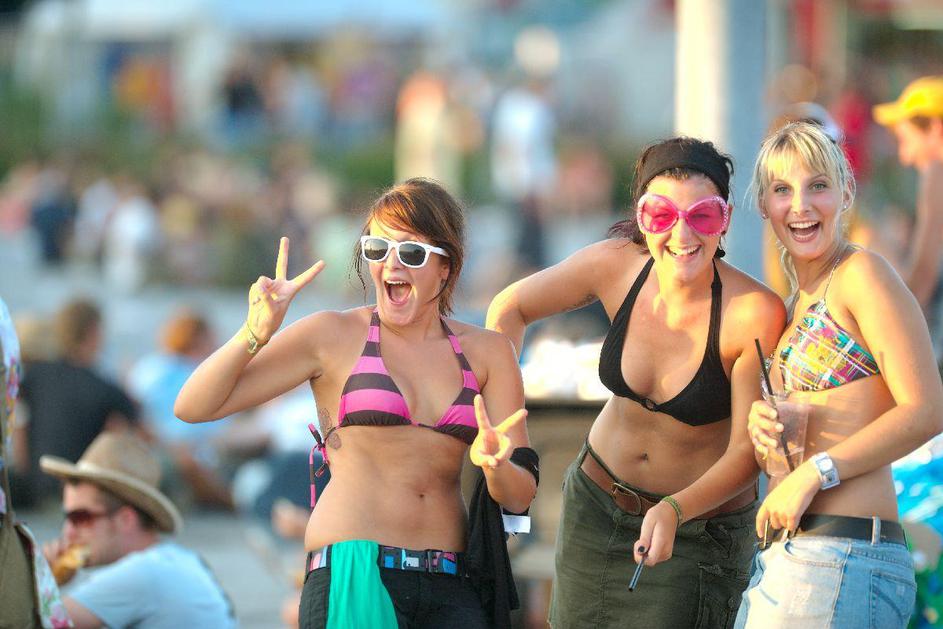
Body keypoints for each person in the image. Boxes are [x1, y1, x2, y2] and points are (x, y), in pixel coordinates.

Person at [175, 178, 539, 628]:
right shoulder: (332, 335)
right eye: (377, 249)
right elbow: (193, 407)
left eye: (411, 252)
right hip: (353, 567)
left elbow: (520, 494)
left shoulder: (489, 352)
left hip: (451, 580)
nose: (391, 263)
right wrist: (253, 333)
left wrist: (496, 466)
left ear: (446, 266)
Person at [487, 137, 786, 627]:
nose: (682, 233)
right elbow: (509, 308)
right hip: (594, 508)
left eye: (702, 216)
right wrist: (510, 436)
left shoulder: (752, 312)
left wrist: (675, 509)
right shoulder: (615, 266)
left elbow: (748, 452)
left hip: (697, 534)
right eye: (662, 215)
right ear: (642, 218)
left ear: (726, 219)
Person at [735, 121, 943, 628]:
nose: (800, 206)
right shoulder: (791, 306)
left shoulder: (861, 274)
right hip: (792, 559)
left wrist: (815, 472)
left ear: (846, 193)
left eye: (818, 186)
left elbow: (927, 409)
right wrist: (764, 434)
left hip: (845, 556)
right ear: (763, 205)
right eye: (782, 190)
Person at [40, 432, 235, 628]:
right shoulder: (175, 559)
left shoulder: (140, 573)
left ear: (125, 520)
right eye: (66, 517)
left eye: (80, 518)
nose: (68, 532)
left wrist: (40, 576)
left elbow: (35, 624)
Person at [14, 298, 139, 507]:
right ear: (93, 332)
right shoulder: (105, 387)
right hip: (78, 493)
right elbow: (140, 430)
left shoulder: (36, 375)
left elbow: (19, 423)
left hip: (36, 487)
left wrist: (25, 473)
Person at [872, 76, 943, 362]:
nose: (905, 157)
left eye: (906, 140)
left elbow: (923, 277)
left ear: (936, 130)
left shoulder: (937, 172)